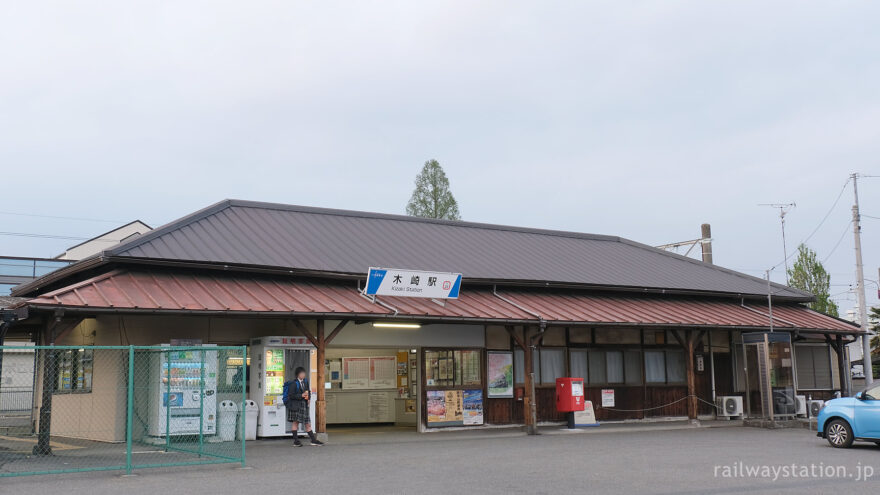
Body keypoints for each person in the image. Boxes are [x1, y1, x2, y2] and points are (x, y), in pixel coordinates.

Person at [283, 367, 323, 446]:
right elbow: (291, 395)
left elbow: (308, 391)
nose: (303, 375)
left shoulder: (305, 382)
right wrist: (301, 395)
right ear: (298, 374)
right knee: (295, 423)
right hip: (296, 406)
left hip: (304, 405)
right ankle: (296, 441)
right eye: (301, 373)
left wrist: (309, 399)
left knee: (307, 423)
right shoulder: (293, 383)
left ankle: (313, 440)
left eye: (304, 373)